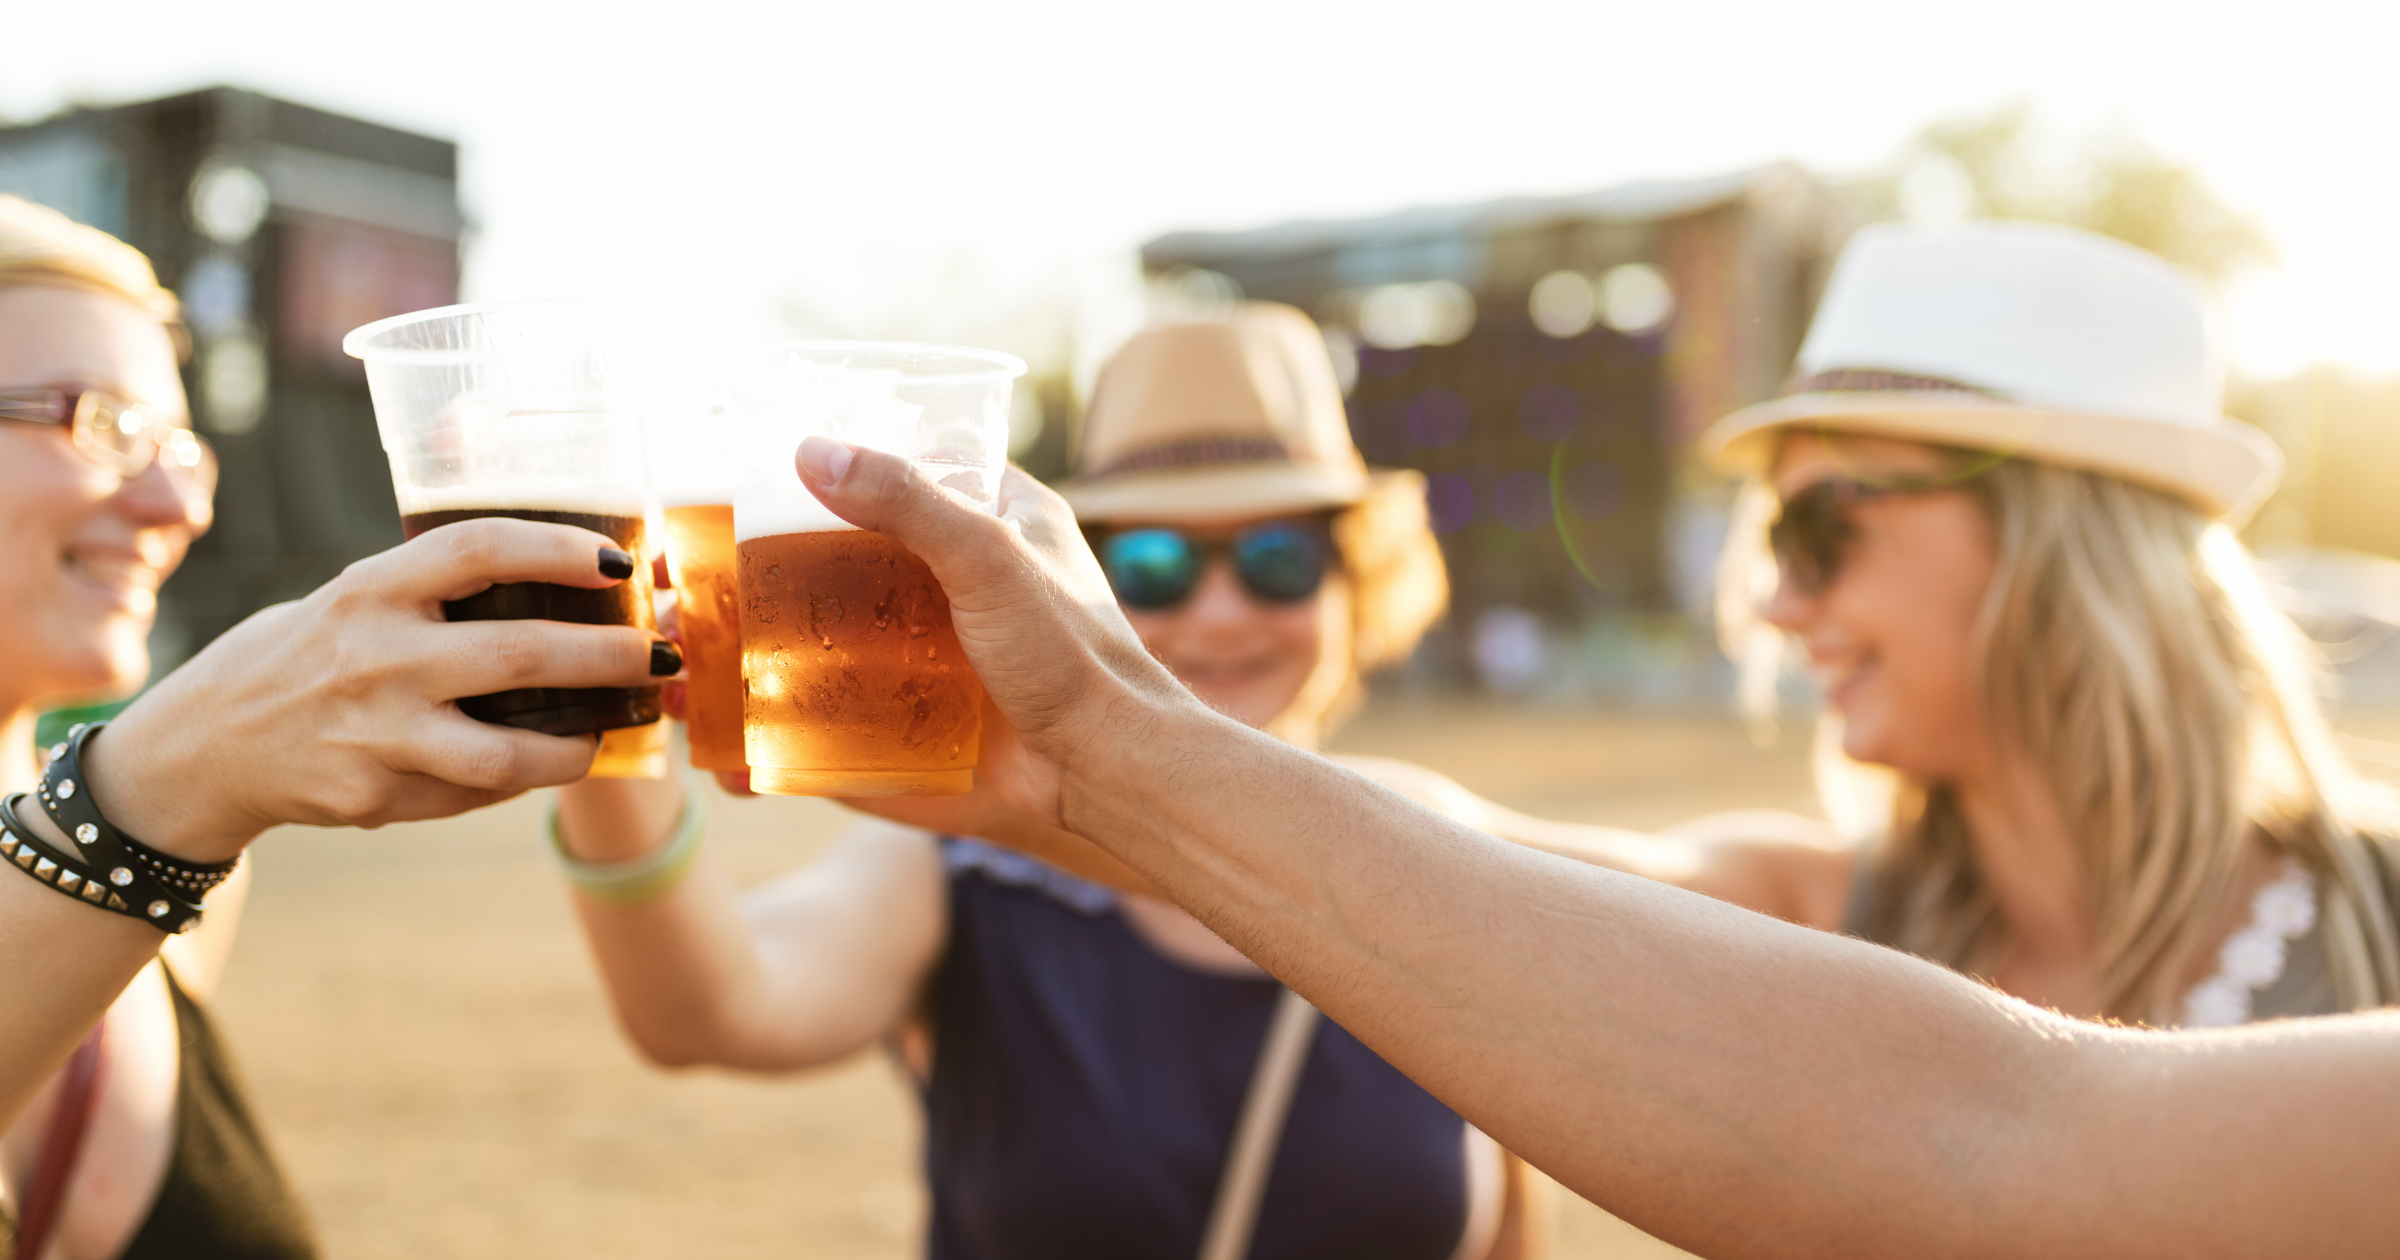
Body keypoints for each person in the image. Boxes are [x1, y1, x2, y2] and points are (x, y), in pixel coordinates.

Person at [772, 393, 2400, 1260]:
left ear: (2069, 535)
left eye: (1829, 522)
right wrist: (1108, 766)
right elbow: (1460, 878)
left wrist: (1127, 762)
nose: (1773, 595)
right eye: (1772, 532)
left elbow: (2001, 1136)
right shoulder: (1820, 891)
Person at [553, 305, 1550, 1260]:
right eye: (1154, 565)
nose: (1218, 613)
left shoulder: (1450, 858)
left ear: (1354, 580)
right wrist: (603, 724)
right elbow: (710, 1008)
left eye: (1279, 559)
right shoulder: (976, 863)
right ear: (1076, 578)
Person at [0, 196, 676, 1258]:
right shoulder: (154, 834)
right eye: (104, 424)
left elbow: (707, 1015)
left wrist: (607, 697)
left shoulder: (176, 895)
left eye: (185, 445)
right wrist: (146, 798)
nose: (182, 504)